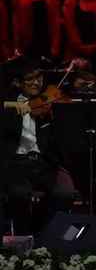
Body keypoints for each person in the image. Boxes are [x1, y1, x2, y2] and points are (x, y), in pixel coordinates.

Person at [1, 59, 76, 234]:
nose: (36, 83)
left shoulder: (49, 103)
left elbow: (59, 143)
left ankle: (44, 232)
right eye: (30, 79)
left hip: (43, 163)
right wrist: (14, 109)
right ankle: (23, 237)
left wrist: (51, 119)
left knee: (65, 192)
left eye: (39, 78)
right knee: (19, 193)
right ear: (17, 82)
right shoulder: (8, 105)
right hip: (16, 163)